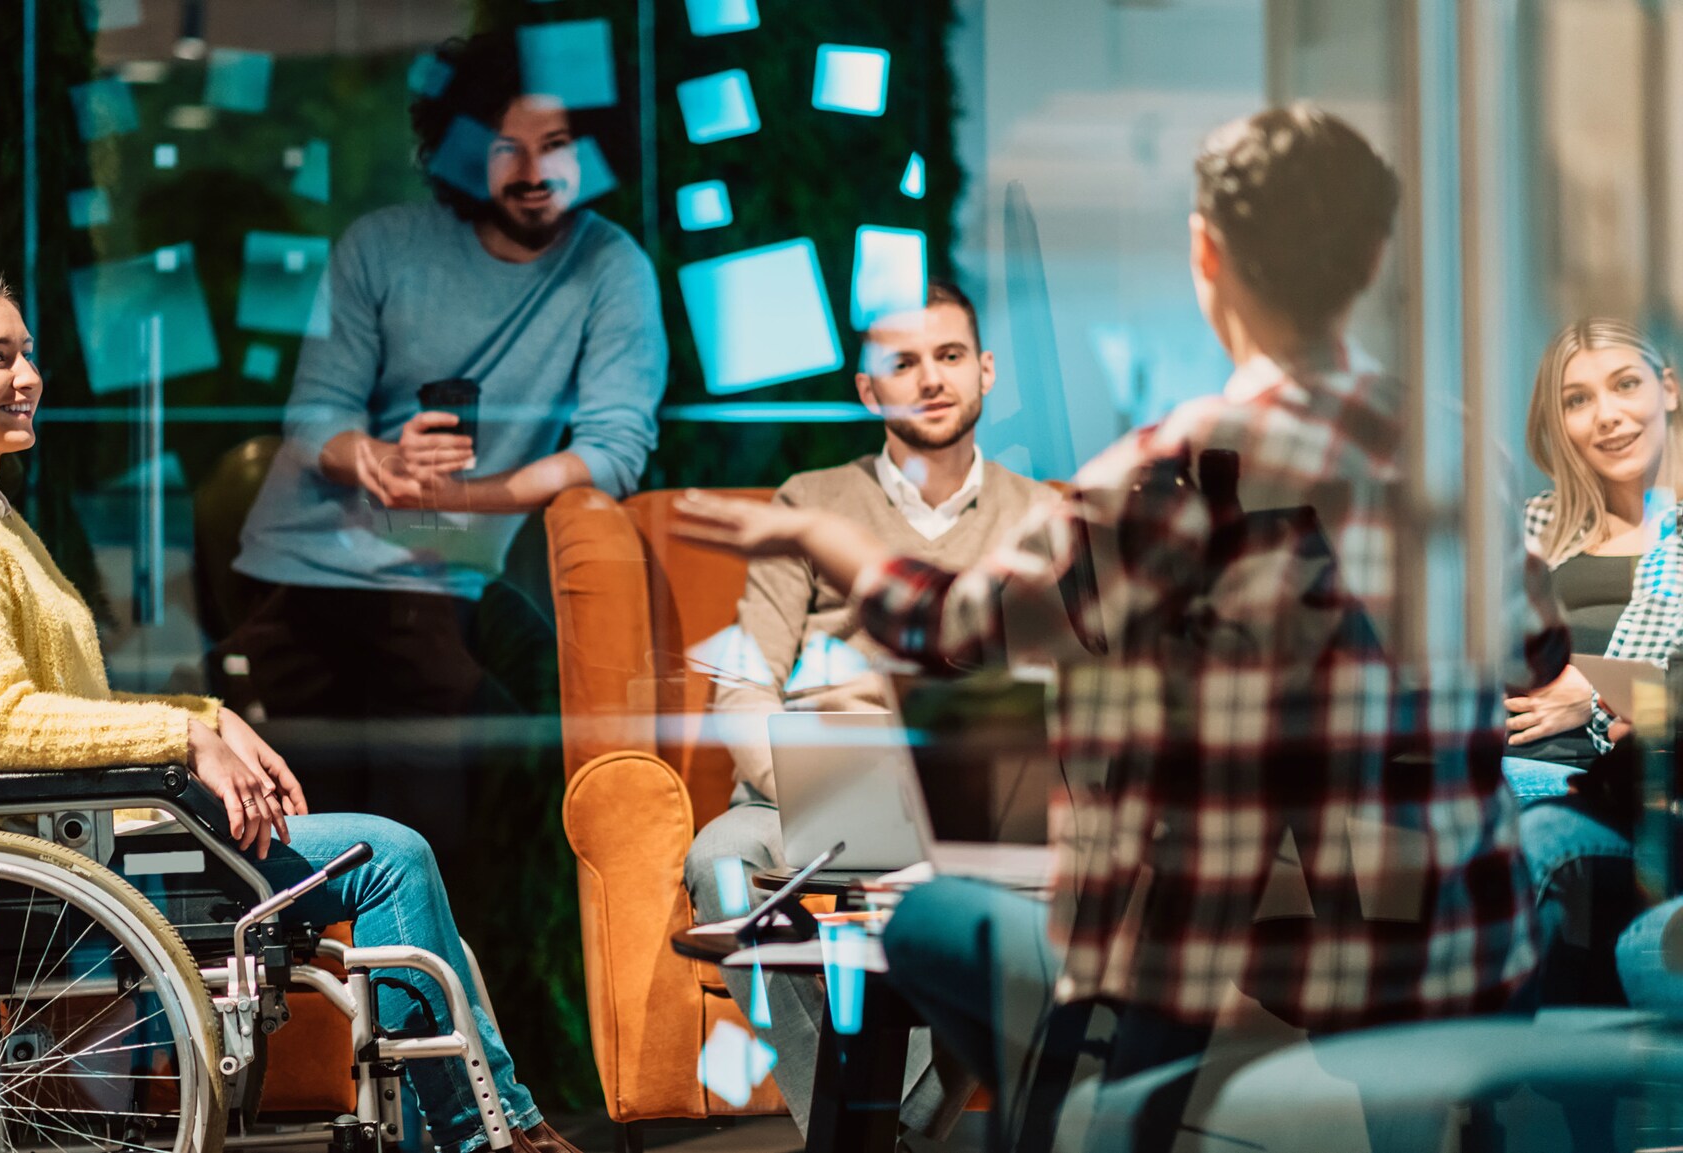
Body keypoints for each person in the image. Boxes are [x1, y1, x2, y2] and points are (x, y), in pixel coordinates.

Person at [673, 105, 1569, 1152]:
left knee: (938, 928)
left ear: (1205, 258)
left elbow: (954, 623)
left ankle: (1023, 1113)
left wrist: (830, 550)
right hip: (1463, 944)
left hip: (1215, 948)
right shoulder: (1455, 448)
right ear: (1371, 258)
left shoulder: (1175, 469)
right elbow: (1532, 654)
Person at [0, 272, 581, 1153]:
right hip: (70, 857)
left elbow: (62, 707)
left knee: (393, 868)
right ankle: (484, 1137)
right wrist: (183, 734)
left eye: (29, 351)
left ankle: (491, 1127)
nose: (28, 375)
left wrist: (211, 715)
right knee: (387, 858)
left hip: (88, 834)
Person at [219, 28, 666, 743]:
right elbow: (313, 412)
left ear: (591, 146)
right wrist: (377, 459)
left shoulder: (612, 268)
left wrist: (467, 497)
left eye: (554, 143)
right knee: (292, 829)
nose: (531, 169)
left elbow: (613, 449)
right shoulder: (381, 244)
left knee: (429, 816)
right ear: (462, 149)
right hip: (298, 571)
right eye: (504, 145)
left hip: (440, 584)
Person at [680, 282, 1052, 1135]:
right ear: (867, 389)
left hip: (974, 807)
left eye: (950, 356)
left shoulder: (1039, 516)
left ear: (985, 370)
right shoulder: (809, 502)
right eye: (903, 363)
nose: (930, 379)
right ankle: (867, 1131)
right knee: (724, 860)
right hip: (810, 790)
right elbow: (744, 681)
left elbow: (1059, 699)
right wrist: (808, 791)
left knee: (1019, 888)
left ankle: (886, 1134)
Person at [1501, 319, 1681, 1005]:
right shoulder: (1524, 527)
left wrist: (1597, 701)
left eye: (1625, 384)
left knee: (1522, 831)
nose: (1606, 415)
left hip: (1620, 787)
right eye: (1577, 400)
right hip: (1509, 762)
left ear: (1666, 390)